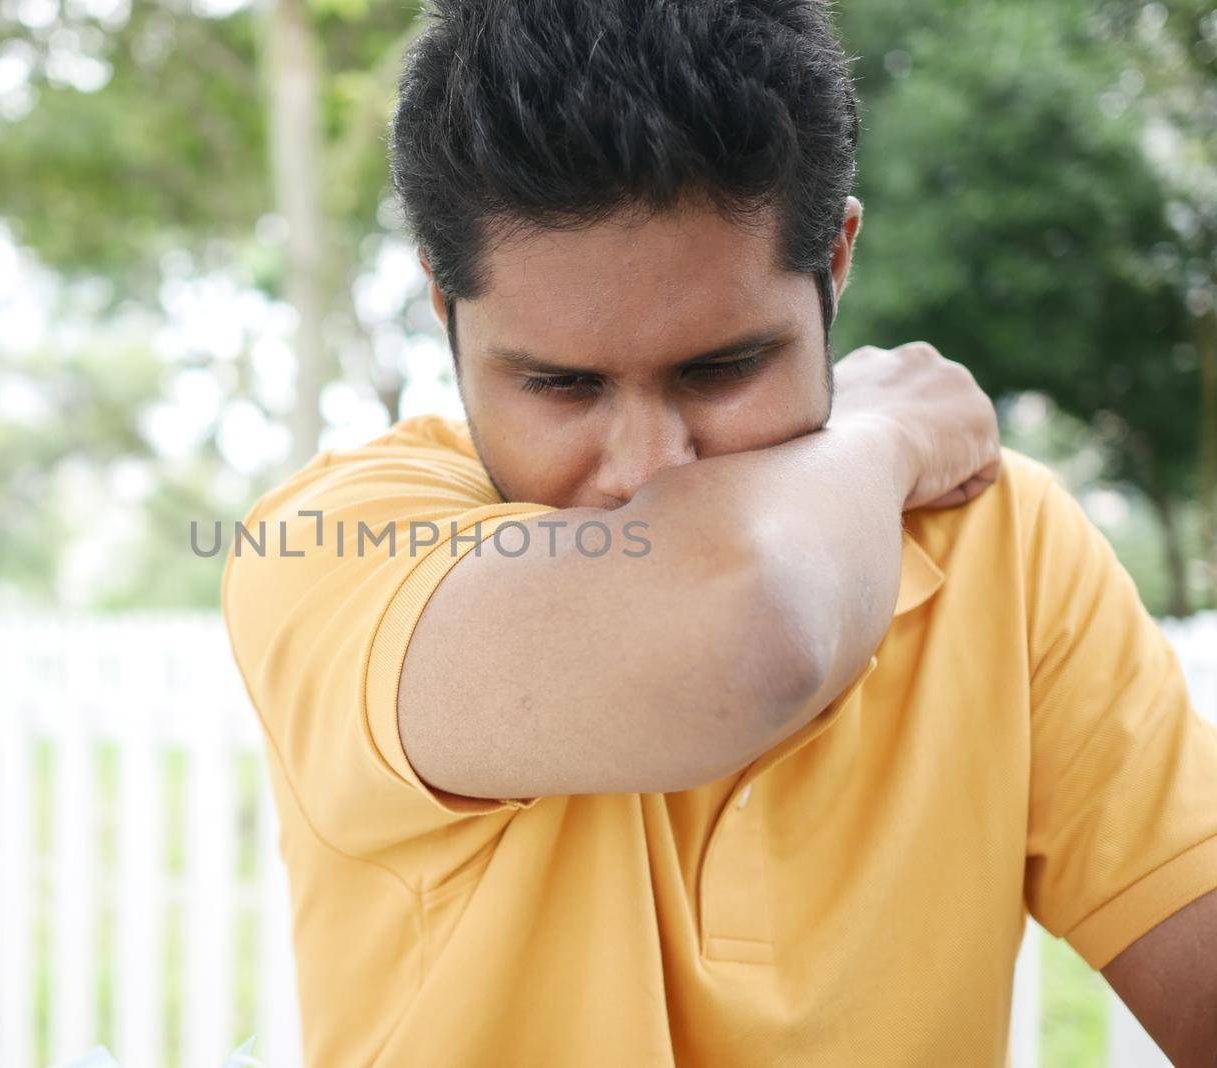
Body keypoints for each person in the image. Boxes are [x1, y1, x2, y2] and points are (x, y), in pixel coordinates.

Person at [220, 1, 1217, 1063]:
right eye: (561, 386)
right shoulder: (336, 542)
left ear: (834, 262)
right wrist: (880, 434)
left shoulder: (997, 541)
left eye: (720, 369)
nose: (647, 471)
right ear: (440, 304)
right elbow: (748, 629)